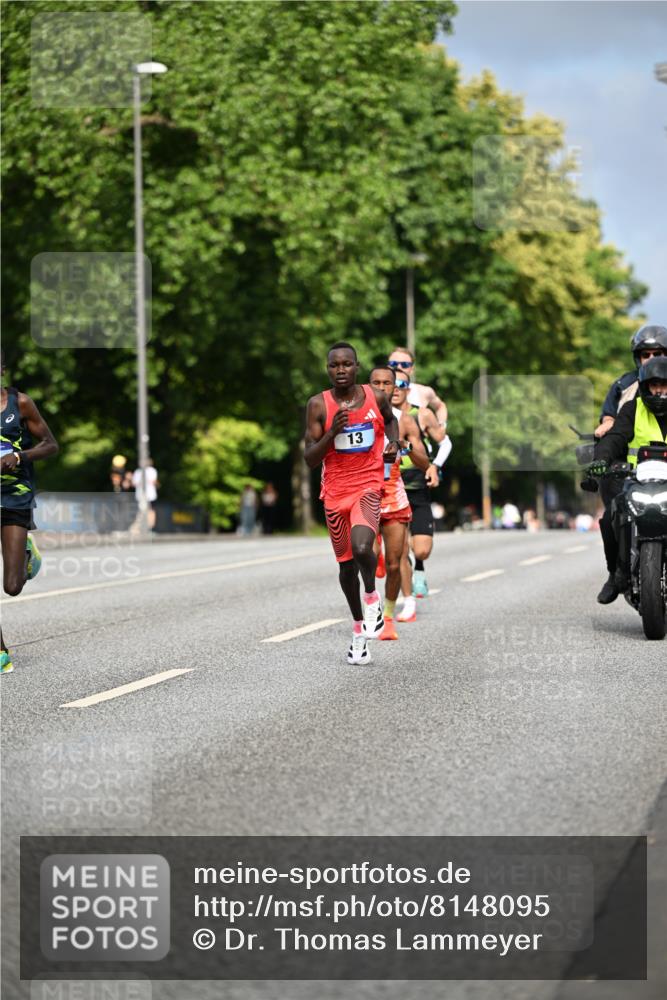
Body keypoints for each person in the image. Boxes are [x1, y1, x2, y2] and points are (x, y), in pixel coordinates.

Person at [304, 342, 399, 665]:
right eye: (334, 365)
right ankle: (359, 633)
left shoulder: (377, 397)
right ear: (328, 369)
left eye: (347, 364)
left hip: (368, 487)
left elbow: (390, 422)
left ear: (357, 367)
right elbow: (310, 459)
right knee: (346, 567)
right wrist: (331, 434)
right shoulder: (318, 405)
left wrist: (394, 443)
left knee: (363, 549)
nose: (340, 370)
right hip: (334, 494)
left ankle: (372, 596)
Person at [594, 325, 667, 601]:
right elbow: (613, 432)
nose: (659, 390)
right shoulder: (628, 398)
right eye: (645, 354)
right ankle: (617, 573)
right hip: (634, 476)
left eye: (658, 353)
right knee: (613, 514)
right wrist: (601, 458)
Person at [0, 351, 59, 673]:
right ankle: (0, 652)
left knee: (12, 586)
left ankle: (27, 554)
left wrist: (20, 457)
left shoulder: (20, 403)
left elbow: (51, 444)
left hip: (15, 498)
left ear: (2, 371)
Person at [369, 367, 434, 640]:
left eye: (389, 383)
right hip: (366, 492)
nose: (384, 388)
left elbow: (422, 459)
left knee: (395, 564)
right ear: (368, 385)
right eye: (377, 383)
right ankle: (371, 608)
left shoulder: (404, 420)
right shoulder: (358, 414)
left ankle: (387, 616)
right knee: (368, 557)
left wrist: (405, 448)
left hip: (394, 492)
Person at [392, 369, 451, 609]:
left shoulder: (422, 414)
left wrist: (435, 466)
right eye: (390, 384)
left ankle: (419, 566)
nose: (395, 389)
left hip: (418, 485)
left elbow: (445, 442)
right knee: (399, 546)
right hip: (393, 486)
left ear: (408, 388)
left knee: (422, 549)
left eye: (400, 384)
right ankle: (404, 585)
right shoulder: (380, 416)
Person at [595, 325, 667, 439]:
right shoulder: (623, 385)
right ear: (639, 358)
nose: (651, 358)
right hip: (627, 453)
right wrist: (608, 422)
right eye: (646, 355)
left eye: (657, 354)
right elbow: (609, 414)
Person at [387, 346, 448, 426]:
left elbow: (440, 406)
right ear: (387, 366)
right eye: (394, 364)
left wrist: (442, 426)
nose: (398, 367)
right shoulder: (376, 393)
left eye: (404, 365)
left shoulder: (423, 392)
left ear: (412, 369)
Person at [132, 459, 160, 530]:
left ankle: (147, 527)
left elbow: (153, 482)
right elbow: (135, 483)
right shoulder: (139, 471)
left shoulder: (149, 471)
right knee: (145, 510)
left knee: (148, 510)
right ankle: (141, 527)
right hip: (144, 495)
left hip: (148, 495)